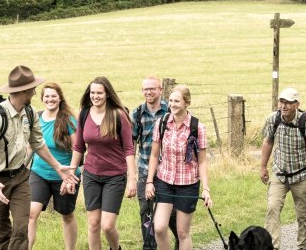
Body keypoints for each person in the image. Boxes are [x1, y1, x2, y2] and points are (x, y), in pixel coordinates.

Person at [0, 65, 78, 250]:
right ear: (23, 91)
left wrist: (58, 167)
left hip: (20, 177)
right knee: (1, 230)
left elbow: (38, 143)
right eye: (32, 88)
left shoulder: (30, 112)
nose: (35, 92)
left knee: (22, 227)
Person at [68, 76, 137, 250]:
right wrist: (70, 173)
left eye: (99, 93)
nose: (95, 96)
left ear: (107, 94)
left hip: (114, 176)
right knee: (93, 224)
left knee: (107, 225)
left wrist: (132, 178)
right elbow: (78, 146)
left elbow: (129, 148)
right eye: (92, 93)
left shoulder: (119, 115)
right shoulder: (84, 114)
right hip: (91, 174)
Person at [146, 84, 212, 250]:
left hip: (188, 184)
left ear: (186, 103)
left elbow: (202, 161)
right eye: (170, 100)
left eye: (177, 101)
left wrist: (206, 189)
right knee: (159, 228)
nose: (173, 104)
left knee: (182, 232)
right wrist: (149, 182)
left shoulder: (197, 128)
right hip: (165, 181)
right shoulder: (161, 123)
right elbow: (154, 155)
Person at [259, 87, 306, 250]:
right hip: (279, 174)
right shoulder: (273, 120)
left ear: (296, 104)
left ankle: (304, 247)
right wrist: (262, 167)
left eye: (288, 102)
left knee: (304, 217)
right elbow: (267, 142)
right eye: (282, 101)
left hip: (301, 176)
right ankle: (272, 247)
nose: (284, 106)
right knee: (272, 208)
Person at [28, 82, 80, 250]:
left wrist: (71, 177)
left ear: (59, 98)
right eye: (47, 96)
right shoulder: (36, 118)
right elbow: (30, 147)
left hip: (65, 175)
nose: (50, 99)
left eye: (53, 96)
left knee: (66, 215)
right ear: (42, 98)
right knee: (31, 214)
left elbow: (77, 149)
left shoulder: (68, 121)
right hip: (39, 173)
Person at [131, 76, 179, 250]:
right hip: (145, 169)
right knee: (146, 210)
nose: (148, 92)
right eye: (145, 89)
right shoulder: (137, 114)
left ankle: (179, 241)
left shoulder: (171, 111)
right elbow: (132, 142)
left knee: (172, 212)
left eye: (152, 88)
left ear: (160, 90)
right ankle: (149, 246)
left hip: (169, 171)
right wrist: (132, 173)